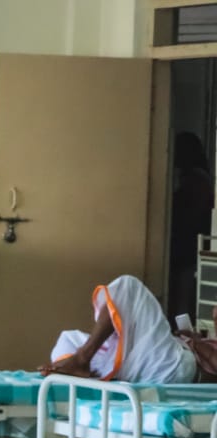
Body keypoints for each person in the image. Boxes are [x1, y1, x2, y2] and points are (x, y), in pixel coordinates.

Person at [41, 274, 196, 384]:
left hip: (169, 365)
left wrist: (195, 343)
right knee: (69, 338)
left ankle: (82, 359)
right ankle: (85, 366)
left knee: (129, 286)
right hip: (145, 363)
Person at [168, 131, 214, 323]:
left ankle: (182, 331)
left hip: (188, 246)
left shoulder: (196, 180)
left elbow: (188, 213)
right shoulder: (197, 178)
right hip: (189, 245)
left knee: (182, 298)